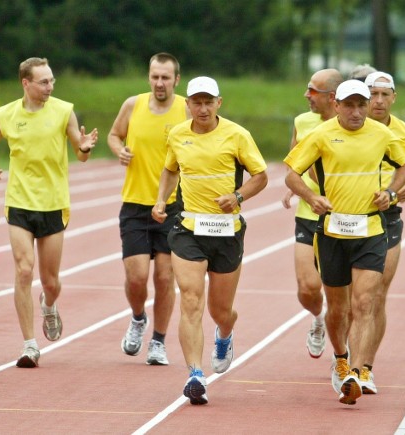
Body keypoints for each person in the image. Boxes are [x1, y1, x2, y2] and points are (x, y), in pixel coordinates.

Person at [284, 79, 405, 405]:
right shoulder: (320, 136)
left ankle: (357, 371)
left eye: (361, 105)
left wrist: (391, 193)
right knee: (338, 309)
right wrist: (312, 197)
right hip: (333, 233)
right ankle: (340, 356)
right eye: (349, 105)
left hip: (370, 230)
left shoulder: (382, 135)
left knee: (365, 302)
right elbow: (291, 175)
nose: (356, 112)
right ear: (336, 105)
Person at [151, 76, 268, 405]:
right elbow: (170, 169)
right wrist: (162, 199)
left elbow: (261, 176)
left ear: (219, 103)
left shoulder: (237, 135)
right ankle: (195, 374)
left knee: (220, 310)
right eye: (196, 102)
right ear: (187, 104)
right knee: (190, 300)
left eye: (208, 102)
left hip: (226, 231)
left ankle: (225, 334)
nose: (202, 108)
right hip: (188, 229)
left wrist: (238, 196)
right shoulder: (177, 134)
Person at [0, 57, 98, 368]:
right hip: (19, 201)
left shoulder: (63, 111)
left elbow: (80, 154)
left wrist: (84, 147)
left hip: (53, 204)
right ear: (26, 83)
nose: (50, 87)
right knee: (23, 270)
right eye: (44, 82)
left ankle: (49, 304)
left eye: (52, 81)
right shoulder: (6, 114)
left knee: (51, 281)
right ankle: (29, 345)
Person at [107, 53, 190, 365]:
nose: (159, 83)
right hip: (135, 204)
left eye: (165, 77)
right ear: (148, 77)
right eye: (155, 76)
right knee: (138, 276)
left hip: (173, 205)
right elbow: (115, 135)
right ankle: (139, 317)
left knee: (166, 278)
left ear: (176, 80)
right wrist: (120, 150)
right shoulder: (133, 105)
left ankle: (158, 341)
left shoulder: (186, 108)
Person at [356, 71, 405, 394]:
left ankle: (365, 367)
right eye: (373, 94)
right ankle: (345, 357)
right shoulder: (353, 127)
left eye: (385, 95)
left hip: (387, 217)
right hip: (351, 217)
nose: (379, 101)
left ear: (394, 98)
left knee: (376, 295)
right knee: (349, 299)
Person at [281, 69, 343, 359]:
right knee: (308, 288)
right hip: (309, 212)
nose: (306, 95)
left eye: (312, 90)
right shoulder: (302, 122)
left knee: (343, 293)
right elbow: (296, 161)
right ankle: (319, 318)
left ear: (332, 97)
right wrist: (297, 190)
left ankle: (343, 351)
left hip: (345, 217)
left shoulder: (353, 124)